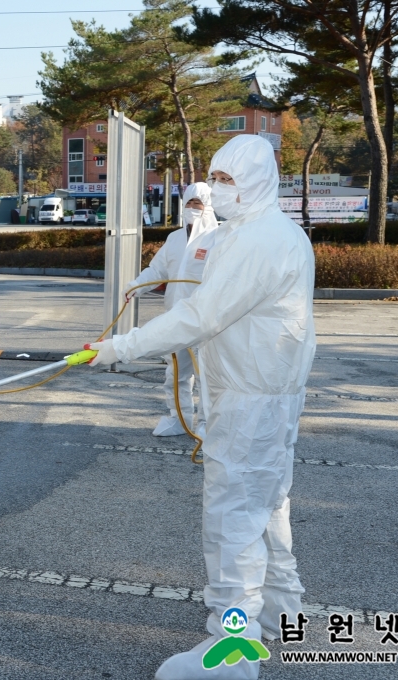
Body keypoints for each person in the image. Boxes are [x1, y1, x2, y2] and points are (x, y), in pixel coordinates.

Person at [87, 136, 315, 679]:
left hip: (251, 400)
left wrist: (120, 348)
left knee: (233, 521)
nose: (216, 189)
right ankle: (285, 616)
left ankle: (233, 651)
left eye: (229, 179)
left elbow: (201, 316)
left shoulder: (262, 238)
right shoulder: (254, 233)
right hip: (258, 394)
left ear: (260, 180)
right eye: (215, 177)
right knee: (266, 508)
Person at [123, 182, 220, 438]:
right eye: (188, 204)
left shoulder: (219, 239)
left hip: (205, 322)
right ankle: (179, 420)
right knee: (176, 375)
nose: (191, 209)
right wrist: (137, 286)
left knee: (206, 378)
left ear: (209, 208)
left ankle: (206, 425)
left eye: (197, 204)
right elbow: (158, 270)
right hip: (176, 319)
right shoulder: (174, 238)